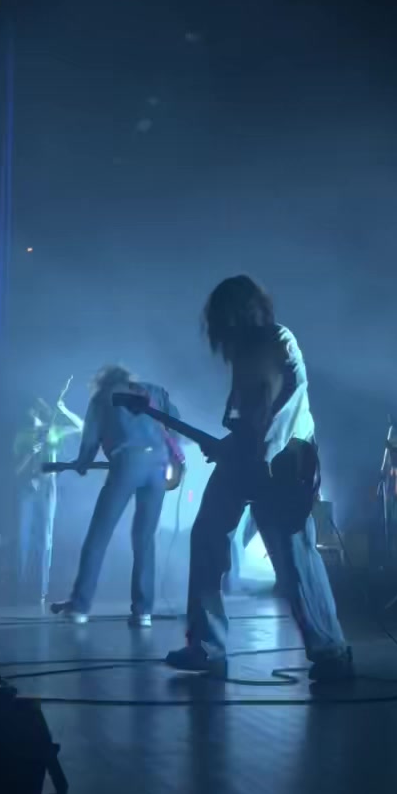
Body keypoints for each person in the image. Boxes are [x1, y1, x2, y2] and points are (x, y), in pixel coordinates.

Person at [166, 275, 353, 683]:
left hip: (283, 464)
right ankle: (207, 645)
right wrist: (232, 445)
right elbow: (249, 417)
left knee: (294, 557)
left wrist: (253, 452)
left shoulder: (275, 340)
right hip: (251, 458)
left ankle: (331, 649)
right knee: (208, 536)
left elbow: (276, 407)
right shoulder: (245, 352)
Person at [52, 365, 181, 627]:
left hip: (128, 462)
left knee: (98, 536)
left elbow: (90, 440)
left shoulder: (102, 398)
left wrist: (82, 463)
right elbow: (175, 424)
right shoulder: (154, 391)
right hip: (158, 466)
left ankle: (80, 606)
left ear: (102, 381)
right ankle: (143, 612)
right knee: (144, 539)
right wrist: (171, 456)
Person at [15, 389, 84, 601]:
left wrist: (64, 410)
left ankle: (41, 589)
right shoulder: (22, 434)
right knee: (23, 537)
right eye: (31, 409)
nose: (33, 413)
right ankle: (20, 587)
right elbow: (15, 471)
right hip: (28, 487)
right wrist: (31, 453)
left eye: (37, 409)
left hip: (48, 485)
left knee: (45, 538)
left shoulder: (53, 431)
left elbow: (81, 427)